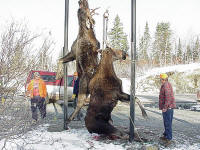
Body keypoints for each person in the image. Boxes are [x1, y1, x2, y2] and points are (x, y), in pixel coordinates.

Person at [159, 73, 176, 146]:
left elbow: (168, 98)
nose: (160, 80)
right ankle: (166, 135)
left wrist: (165, 107)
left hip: (168, 108)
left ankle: (168, 139)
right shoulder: (167, 84)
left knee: (167, 123)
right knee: (167, 122)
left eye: (160, 79)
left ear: (163, 79)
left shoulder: (166, 85)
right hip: (168, 107)